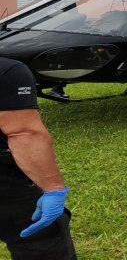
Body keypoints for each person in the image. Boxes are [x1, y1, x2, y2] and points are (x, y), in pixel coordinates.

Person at [0, 57, 76, 259]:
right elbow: (23, 133)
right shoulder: (8, 70)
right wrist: (53, 190)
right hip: (7, 187)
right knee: (41, 242)